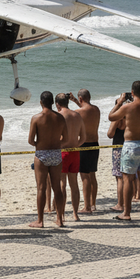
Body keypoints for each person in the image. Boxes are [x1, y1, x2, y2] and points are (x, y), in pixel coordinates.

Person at [109, 81, 140, 221]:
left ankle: (127, 213)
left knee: (127, 178)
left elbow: (111, 117)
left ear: (132, 92)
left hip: (131, 144)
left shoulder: (128, 107)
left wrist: (119, 102)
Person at [28, 91, 68, 228]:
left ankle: (40, 221)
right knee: (57, 187)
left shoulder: (36, 118)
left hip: (42, 153)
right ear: (52, 103)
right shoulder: (60, 118)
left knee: (41, 188)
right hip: (56, 153)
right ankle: (60, 219)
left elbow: (30, 140)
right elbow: (66, 138)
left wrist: (39, 144)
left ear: (40, 102)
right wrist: (57, 144)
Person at [55, 93, 85, 222]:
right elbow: (83, 137)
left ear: (57, 104)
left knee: (62, 184)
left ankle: (61, 214)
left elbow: (56, 136)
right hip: (75, 151)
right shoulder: (77, 115)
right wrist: (75, 145)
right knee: (74, 184)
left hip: (63, 152)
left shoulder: (59, 116)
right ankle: (75, 213)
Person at [71, 90, 100, 213]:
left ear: (81, 99)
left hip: (84, 145)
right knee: (92, 174)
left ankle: (87, 206)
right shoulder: (96, 109)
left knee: (84, 176)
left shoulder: (78, 112)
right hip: (95, 144)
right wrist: (76, 101)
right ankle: (93, 204)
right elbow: (85, 110)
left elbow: (78, 115)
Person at [107, 110, 126, 212]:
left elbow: (110, 134)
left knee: (119, 178)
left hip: (118, 149)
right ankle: (127, 202)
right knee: (128, 177)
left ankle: (120, 204)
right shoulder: (130, 117)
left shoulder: (117, 119)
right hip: (128, 146)